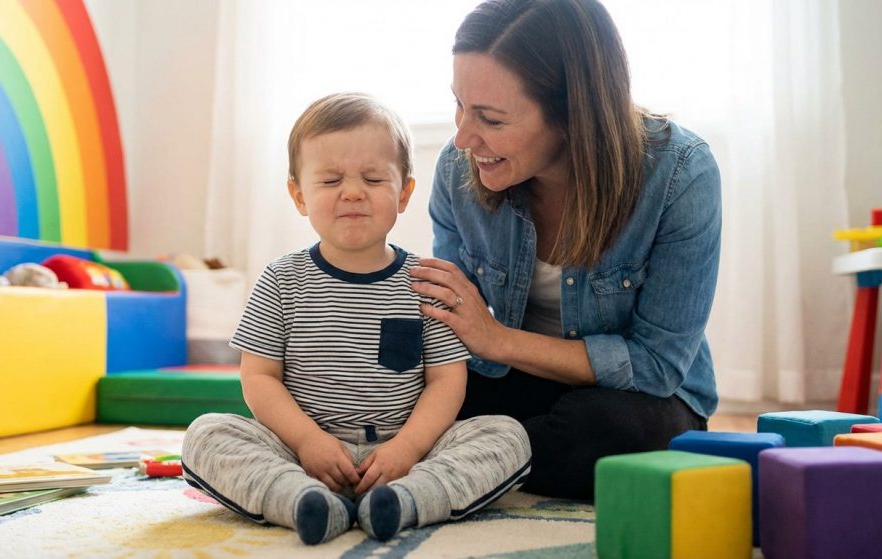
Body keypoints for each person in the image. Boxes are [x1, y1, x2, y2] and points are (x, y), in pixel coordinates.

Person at [181, 92, 531, 545]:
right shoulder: (282, 280)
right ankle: (303, 501)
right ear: (298, 194)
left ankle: (405, 501)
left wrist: (406, 450)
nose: (351, 192)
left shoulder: (426, 281)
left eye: (372, 178)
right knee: (206, 434)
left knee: (506, 436)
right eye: (329, 181)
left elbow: (447, 382)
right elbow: (259, 377)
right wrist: (307, 442)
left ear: (404, 192)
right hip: (300, 452)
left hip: (407, 456)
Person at [410, 0, 721, 500]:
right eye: (460, 105)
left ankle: (463, 459)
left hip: (636, 398)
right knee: (406, 397)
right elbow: (452, 323)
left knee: (617, 432)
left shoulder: (681, 175)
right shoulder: (456, 169)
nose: (464, 137)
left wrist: (499, 340)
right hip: (518, 381)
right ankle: (485, 458)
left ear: (573, 114)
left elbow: (658, 366)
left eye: (489, 118)